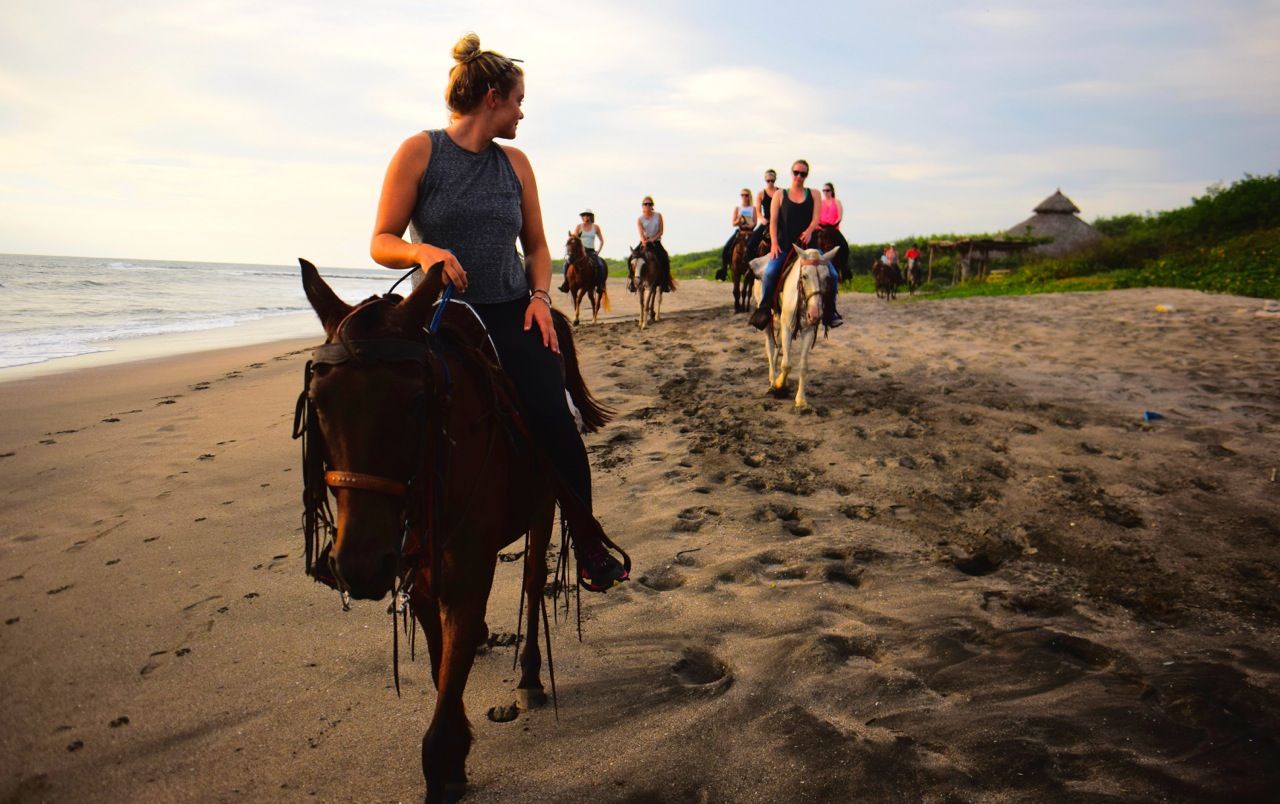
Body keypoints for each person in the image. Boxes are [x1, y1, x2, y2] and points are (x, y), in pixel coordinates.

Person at [369, 32, 627, 591]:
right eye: (517, 101)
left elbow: (537, 247)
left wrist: (540, 298)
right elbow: (382, 240)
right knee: (380, 410)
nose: (522, 112)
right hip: (440, 317)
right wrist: (423, 252)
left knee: (553, 414)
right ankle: (382, 540)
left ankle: (587, 541)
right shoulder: (420, 151)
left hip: (512, 310)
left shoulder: (516, 164)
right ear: (492, 98)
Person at [749, 159, 842, 330]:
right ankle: (764, 310)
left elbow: (816, 218)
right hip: (785, 246)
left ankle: (831, 312)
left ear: (807, 175)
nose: (799, 176)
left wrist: (810, 230)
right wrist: (774, 243)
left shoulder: (814, 194)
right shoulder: (780, 195)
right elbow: (773, 221)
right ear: (791, 173)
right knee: (769, 273)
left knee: (834, 275)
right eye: (796, 172)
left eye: (803, 173)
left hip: (809, 248)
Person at [558, 208, 606, 293]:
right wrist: (571, 238)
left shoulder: (596, 227)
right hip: (580, 252)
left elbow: (602, 241)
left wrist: (598, 251)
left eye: (588, 215)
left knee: (600, 265)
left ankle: (600, 285)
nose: (586, 217)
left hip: (591, 251)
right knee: (566, 264)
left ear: (591, 216)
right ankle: (566, 283)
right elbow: (574, 238)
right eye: (584, 215)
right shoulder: (579, 227)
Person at [717, 189, 756, 280]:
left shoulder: (753, 208)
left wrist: (751, 225)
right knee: (727, 247)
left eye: (746, 195)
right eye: (742, 195)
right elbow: (733, 223)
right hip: (740, 231)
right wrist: (738, 221)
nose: (744, 197)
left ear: (749, 196)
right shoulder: (738, 208)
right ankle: (724, 269)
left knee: (759, 248)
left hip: (750, 232)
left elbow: (755, 222)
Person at [635, 195, 672, 292]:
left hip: (656, 242)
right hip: (645, 242)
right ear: (642, 206)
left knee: (665, 257)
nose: (647, 205)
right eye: (645, 204)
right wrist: (644, 241)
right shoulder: (640, 219)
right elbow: (641, 233)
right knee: (633, 257)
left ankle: (665, 283)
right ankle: (632, 282)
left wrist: (653, 239)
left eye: (649, 204)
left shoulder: (658, 216)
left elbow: (661, 231)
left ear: (652, 206)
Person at [818, 182, 850, 281]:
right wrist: (820, 225)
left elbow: (840, 216)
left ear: (832, 191)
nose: (825, 192)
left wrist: (834, 225)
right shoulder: (820, 202)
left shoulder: (837, 202)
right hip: (822, 228)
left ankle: (844, 269)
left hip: (833, 229)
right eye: (824, 190)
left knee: (844, 245)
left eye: (827, 190)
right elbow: (817, 215)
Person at [745, 169, 780, 259]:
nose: (770, 182)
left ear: (775, 179)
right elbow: (758, 210)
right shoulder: (761, 194)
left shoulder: (781, 192)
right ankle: (751, 264)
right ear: (765, 180)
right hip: (767, 221)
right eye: (768, 181)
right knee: (750, 244)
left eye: (772, 181)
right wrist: (762, 219)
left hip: (779, 221)